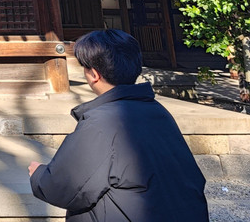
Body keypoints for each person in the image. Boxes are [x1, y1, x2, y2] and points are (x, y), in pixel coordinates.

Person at [29, 29, 208, 221]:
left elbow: (62, 187)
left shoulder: (101, 122)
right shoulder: (158, 111)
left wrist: (38, 174)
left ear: (94, 74)